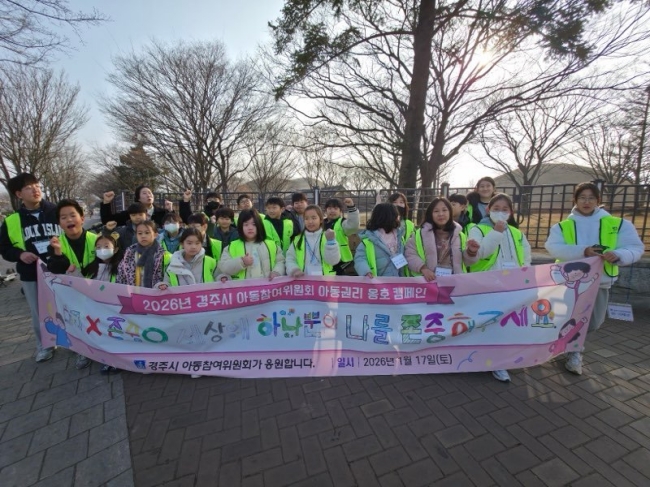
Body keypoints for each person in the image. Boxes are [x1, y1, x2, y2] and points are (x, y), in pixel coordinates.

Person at [545, 182, 644, 375]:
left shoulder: (618, 224)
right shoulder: (563, 226)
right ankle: (573, 351)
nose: (586, 202)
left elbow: (635, 247)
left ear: (598, 200)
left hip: (600, 281)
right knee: (566, 318)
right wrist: (584, 251)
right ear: (575, 200)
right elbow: (553, 247)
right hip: (569, 282)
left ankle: (570, 346)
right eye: (582, 197)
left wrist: (619, 255)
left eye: (591, 198)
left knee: (593, 321)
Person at [468, 193, 532, 383]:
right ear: (488, 209)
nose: (501, 213)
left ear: (511, 212)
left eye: (505, 210)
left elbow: (526, 256)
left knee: (506, 324)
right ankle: (488, 360)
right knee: (489, 323)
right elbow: (480, 254)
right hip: (487, 285)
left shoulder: (517, 233)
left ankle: (500, 360)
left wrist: (523, 274)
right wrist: (496, 232)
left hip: (512, 285)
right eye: (496, 209)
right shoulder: (477, 229)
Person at [0, 173, 60, 363]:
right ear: (18, 194)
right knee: (39, 312)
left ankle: (76, 342)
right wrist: (20, 254)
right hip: (31, 273)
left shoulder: (57, 211)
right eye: (29, 187)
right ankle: (45, 346)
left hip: (60, 269)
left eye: (37, 185)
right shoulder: (11, 221)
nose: (35, 190)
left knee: (67, 307)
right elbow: (4, 248)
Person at [47, 199, 97, 370]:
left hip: (95, 291)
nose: (69, 220)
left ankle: (100, 347)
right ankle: (81, 350)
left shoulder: (96, 239)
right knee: (75, 322)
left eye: (72, 215)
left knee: (95, 321)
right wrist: (58, 253)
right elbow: (54, 269)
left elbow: (105, 260)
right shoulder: (55, 243)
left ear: (82, 218)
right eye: (63, 217)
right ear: (59, 223)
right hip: (70, 294)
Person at [405, 197, 480, 281]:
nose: (441, 214)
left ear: (450, 212)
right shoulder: (419, 234)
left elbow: (467, 262)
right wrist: (423, 268)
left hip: (455, 282)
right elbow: (410, 254)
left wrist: (471, 252)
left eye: (444, 210)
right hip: (428, 282)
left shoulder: (460, 235)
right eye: (436, 211)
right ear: (430, 214)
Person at [83, 232, 124, 374]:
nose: (102, 250)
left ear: (116, 249)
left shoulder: (122, 266)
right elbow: (81, 285)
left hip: (116, 310)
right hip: (98, 310)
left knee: (117, 335)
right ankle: (107, 361)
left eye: (106, 246)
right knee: (103, 335)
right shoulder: (91, 268)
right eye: (98, 247)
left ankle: (119, 361)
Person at [218, 209, 285, 280]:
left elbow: (281, 261)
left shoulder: (272, 245)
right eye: (246, 225)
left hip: (268, 286)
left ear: (259, 226)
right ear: (240, 227)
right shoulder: (232, 247)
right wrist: (242, 262)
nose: (250, 228)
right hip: (243, 287)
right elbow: (223, 267)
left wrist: (277, 272)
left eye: (254, 224)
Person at [286, 205, 340, 277]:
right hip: (302, 280)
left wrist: (331, 242)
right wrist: (294, 270)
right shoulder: (297, 239)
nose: (310, 222)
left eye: (314, 218)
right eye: (306, 218)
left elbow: (333, 261)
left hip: (325, 280)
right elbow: (290, 258)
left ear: (321, 220)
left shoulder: (328, 237)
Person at [354, 203, 406, 277]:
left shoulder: (399, 236)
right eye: (396, 215)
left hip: (398, 280)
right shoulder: (369, 239)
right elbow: (360, 258)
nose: (398, 217)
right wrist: (365, 271)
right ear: (389, 217)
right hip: (379, 280)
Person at [116, 220, 170, 287]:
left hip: (155, 292)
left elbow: (168, 278)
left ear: (155, 235)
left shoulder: (163, 255)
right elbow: (121, 276)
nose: (143, 236)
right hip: (132, 292)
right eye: (140, 233)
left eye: (147, 233)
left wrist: (162, 285)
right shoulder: (129, 254)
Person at [101, 185, 172, 228]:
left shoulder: (162, 213)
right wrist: (106, 203)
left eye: (150, 193)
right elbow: (107, 221)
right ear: (138, 198)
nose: (148, 195)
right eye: (144, 193)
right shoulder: (131, 214)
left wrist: (170, 211)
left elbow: (174, 226)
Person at [324, 197, 360, 275]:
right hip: (325, 261)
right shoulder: (321, 223)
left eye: (335, 208)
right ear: (325, 210)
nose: (332, 211)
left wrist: (351, 207)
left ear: (340, 211)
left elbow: (353, 225)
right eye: (330, 208)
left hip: (342, 263)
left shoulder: (342, 223)